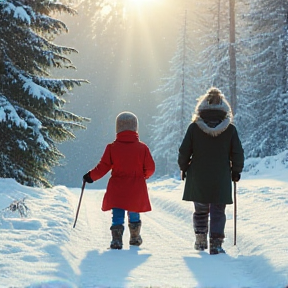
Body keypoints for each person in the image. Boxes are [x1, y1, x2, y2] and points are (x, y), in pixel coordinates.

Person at [178, 87, 244, 255]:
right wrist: (236, 171)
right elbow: (237, 153)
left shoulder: (194, 128)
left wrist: (184, 167)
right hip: (220, 177)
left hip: (198, 176)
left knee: (200, 210)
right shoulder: (230, 129)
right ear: (224, 108)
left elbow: (184, 151)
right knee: (218, 210)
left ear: (202, 107)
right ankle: (216, 243)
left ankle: (200, 240)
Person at [83, 111, 155, 250]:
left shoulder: (112, 148)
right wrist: (142, 176)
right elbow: (150, 168)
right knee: (134, 211)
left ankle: (116, 240)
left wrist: (90, 176)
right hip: (136, 186)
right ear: (135, 128)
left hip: (117, 186)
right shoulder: (142, 148)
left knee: (117, 213)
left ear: (118, 128)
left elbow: (102, 167)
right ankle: (134, 237)